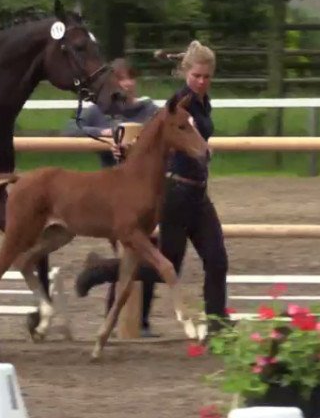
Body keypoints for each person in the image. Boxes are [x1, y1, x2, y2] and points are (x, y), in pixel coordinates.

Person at [74, 40, 231, 338]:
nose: (201, 82)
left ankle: (217, 326)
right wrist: (128, 148)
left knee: (217, 259)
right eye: (196, 76)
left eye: (207, 77)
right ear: (186, 73)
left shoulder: (202, 101)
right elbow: (152, 137)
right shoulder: (178, 105)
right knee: (165, 267)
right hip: (175, 193)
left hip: (198, 192)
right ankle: (101, 270)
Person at [63, 57, 160, 336]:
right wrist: (103, 135)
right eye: (120, 79)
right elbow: (71, 128)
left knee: (147, 253)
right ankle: (122, 320)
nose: (126, 84)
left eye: (130, 78)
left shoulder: (148, 110)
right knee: (140, 254)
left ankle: (130, 312)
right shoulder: (100, 112)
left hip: (144, 196)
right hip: (111, 198)